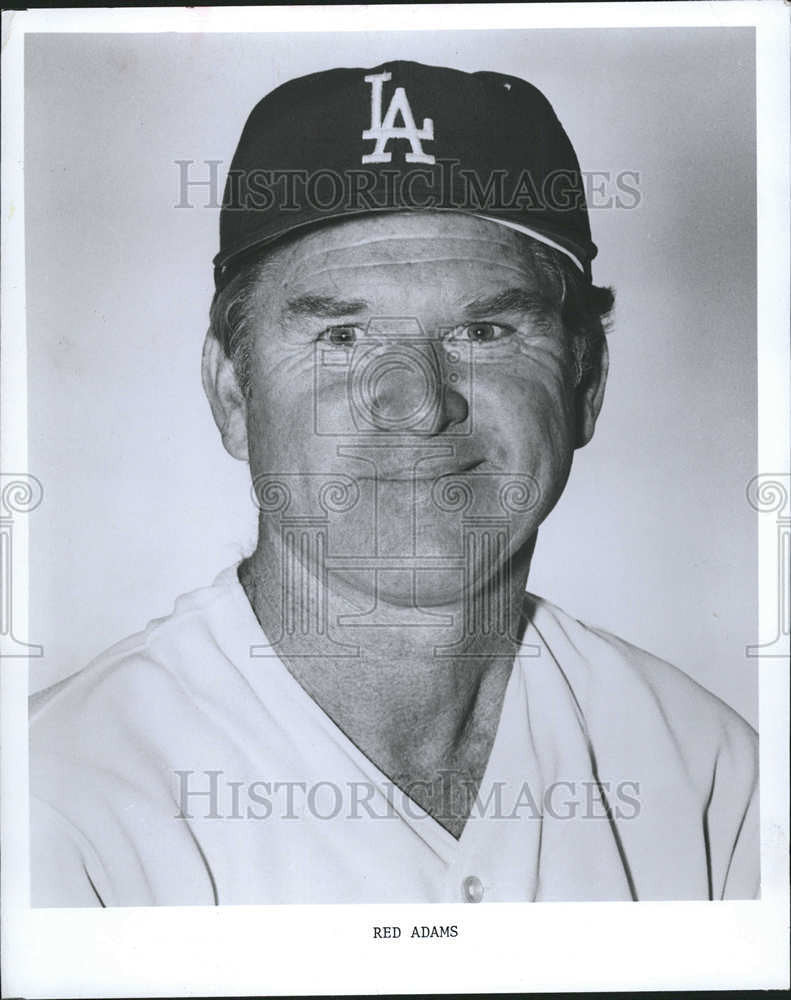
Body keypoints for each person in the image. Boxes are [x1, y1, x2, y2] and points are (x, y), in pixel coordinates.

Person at [30, 61, 758, 906]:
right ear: (233, 394)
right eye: (340, 337)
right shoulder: (57, 800)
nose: (415, 404)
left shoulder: (708, 777)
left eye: (484, 330)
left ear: (585, 384)